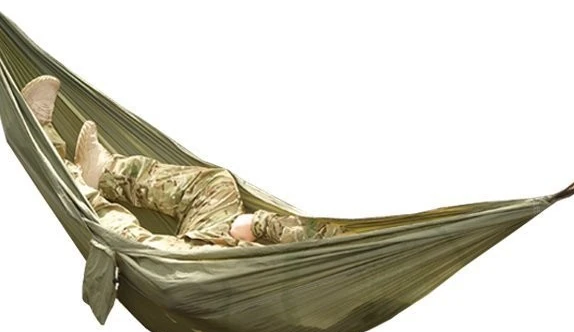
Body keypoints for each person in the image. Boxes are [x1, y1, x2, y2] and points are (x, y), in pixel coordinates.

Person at [21, 75, 346, 252]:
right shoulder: (354, 252)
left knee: (124, 237)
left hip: (207, 277)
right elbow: (324, 240)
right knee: (216, 183)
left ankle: (46, 143)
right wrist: (258, 225)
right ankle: (106, 174)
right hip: (221, 249)